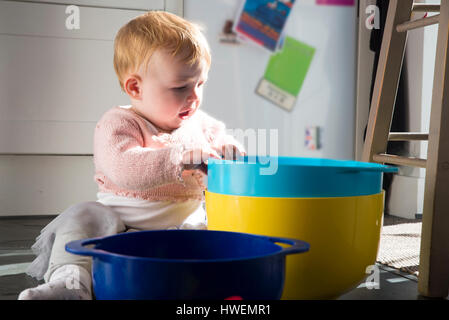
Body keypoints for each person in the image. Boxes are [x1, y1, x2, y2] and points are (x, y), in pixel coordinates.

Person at [18, 11, 245, 300]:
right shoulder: (118, 123)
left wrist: (229, 150)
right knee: (82, 217)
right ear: (135, 87)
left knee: (217, 228)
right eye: (180, 87)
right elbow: (125, 167)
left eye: (199, 84)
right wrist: (180, 159)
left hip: (184, 230)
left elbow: (223, 145)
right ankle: (71, 285)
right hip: (118, 230)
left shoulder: (202, 125)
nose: (194, 96)